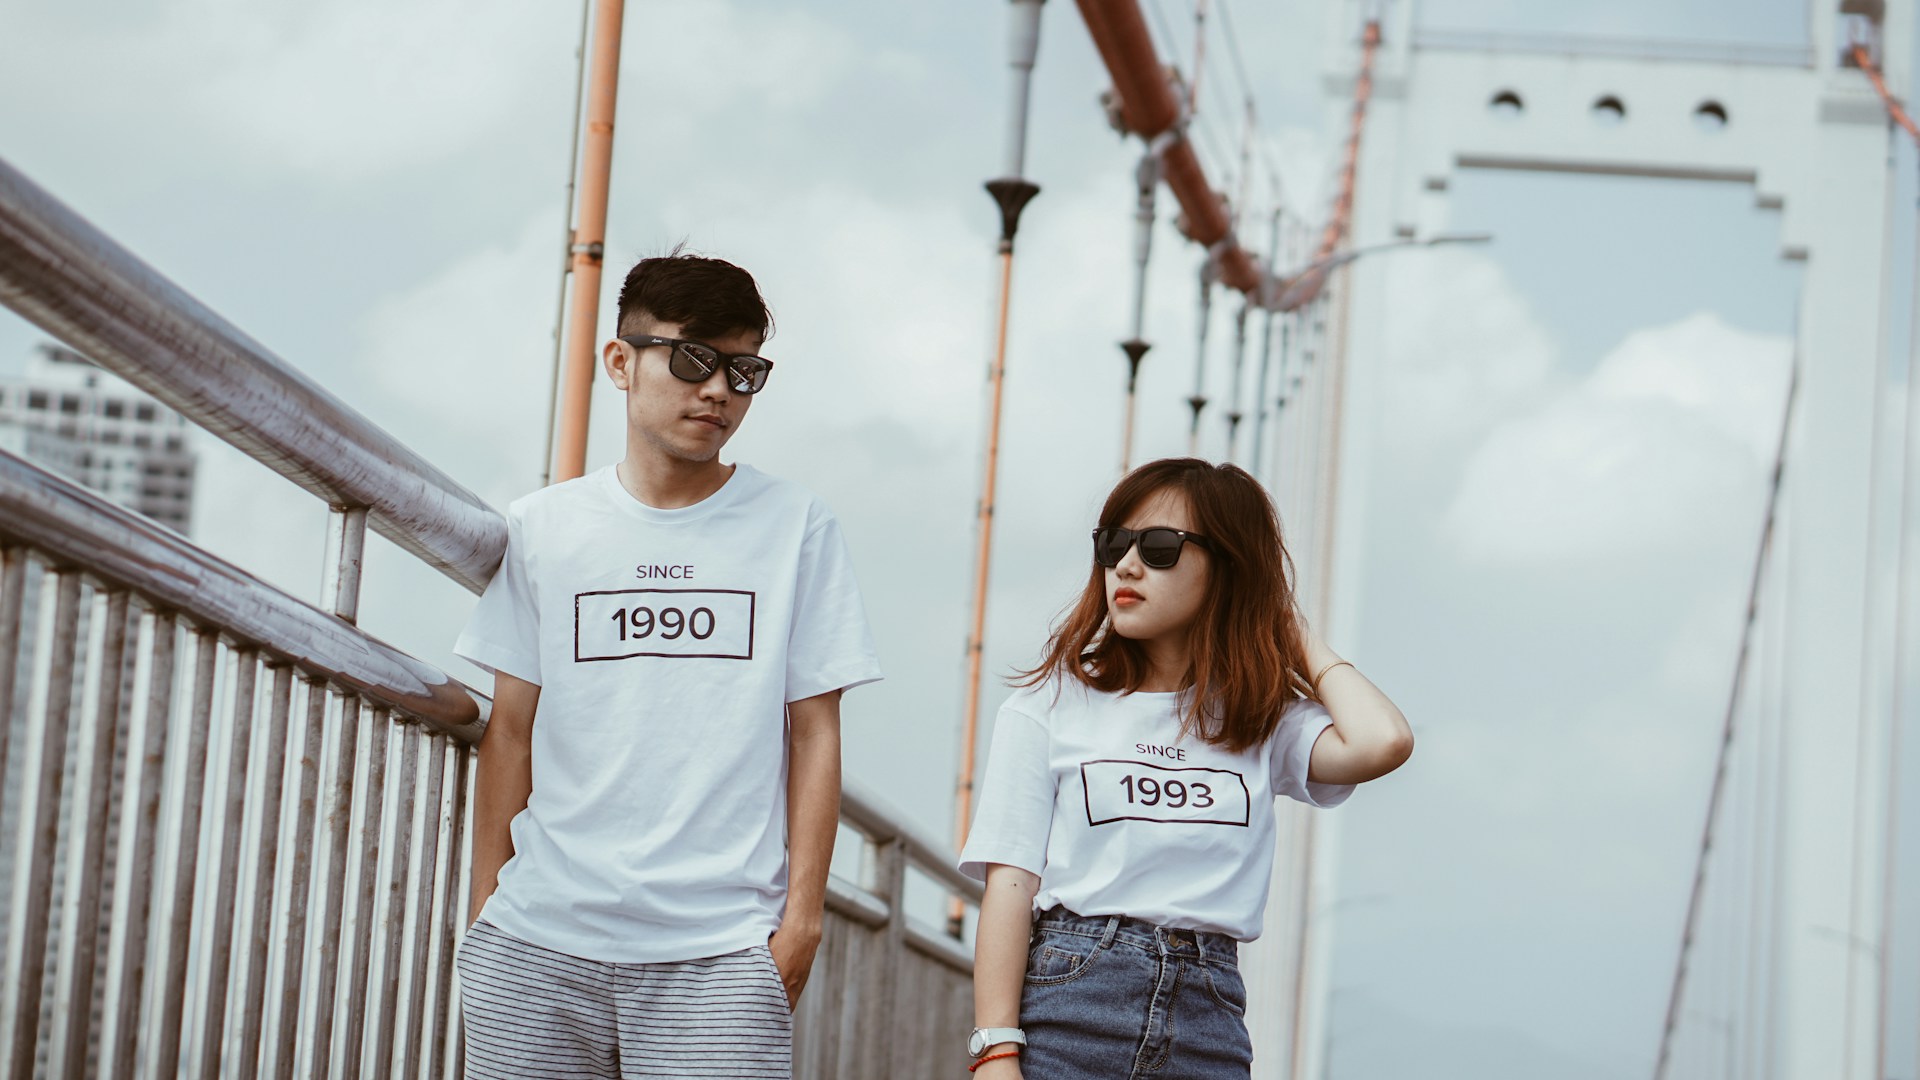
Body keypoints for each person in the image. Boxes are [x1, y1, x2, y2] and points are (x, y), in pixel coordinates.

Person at [453, 252, 882, 1079]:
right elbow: (510, 731)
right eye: (693, 360)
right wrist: (484, 918)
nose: (719, 389)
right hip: (539, 941)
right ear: (621, 361)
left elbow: (816, 734)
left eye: (744, 370)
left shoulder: (796, 527)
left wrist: (802, 925)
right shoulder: (545, 527)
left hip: (720, 950)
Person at [958, 458, 1413, 1079]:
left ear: (1227, 569)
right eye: (1115, 544)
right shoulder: (1047, 706)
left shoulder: (1260, 718)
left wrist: (1284, 623)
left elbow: (1383, 742)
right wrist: (996, 1051)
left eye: (1161, 547)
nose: (1127, 564)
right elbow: (1010, 887)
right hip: (1070, 1008)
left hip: (1209, 1020)